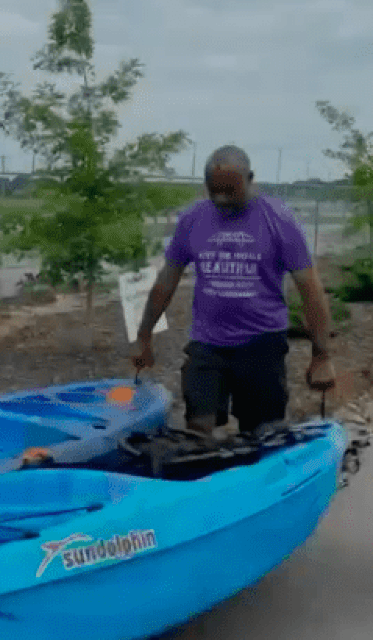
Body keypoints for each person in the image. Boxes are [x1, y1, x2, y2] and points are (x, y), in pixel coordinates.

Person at [131, 144, 336, 436]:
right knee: (196, 431)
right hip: (207, 344)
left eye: (230, 191)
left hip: (261, 344)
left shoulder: (279, 219)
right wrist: (144, 335)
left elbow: (311, 290)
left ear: (250, 179)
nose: (222, 199)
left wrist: (322, 356)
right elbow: (167, 280)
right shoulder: (193, 219)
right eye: (214, 191)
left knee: (263, 434)